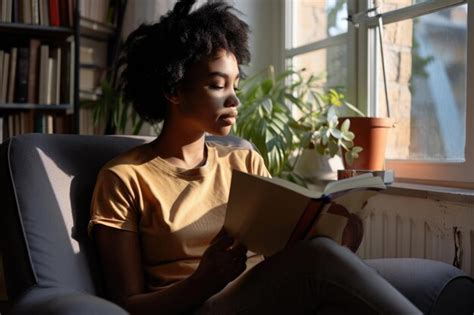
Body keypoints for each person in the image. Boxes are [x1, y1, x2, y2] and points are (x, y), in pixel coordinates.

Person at [89, 1, 421, 314]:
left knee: (325, 258)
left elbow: (280, 252)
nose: (234, 98)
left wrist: (337, 232)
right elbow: (126, 305)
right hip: (197, 306)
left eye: (235, 84)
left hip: (263, 298)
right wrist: (202, 282)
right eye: (218, 85)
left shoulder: (243, 161)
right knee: (319, 260)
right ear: (174, 90)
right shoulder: (124, 178)